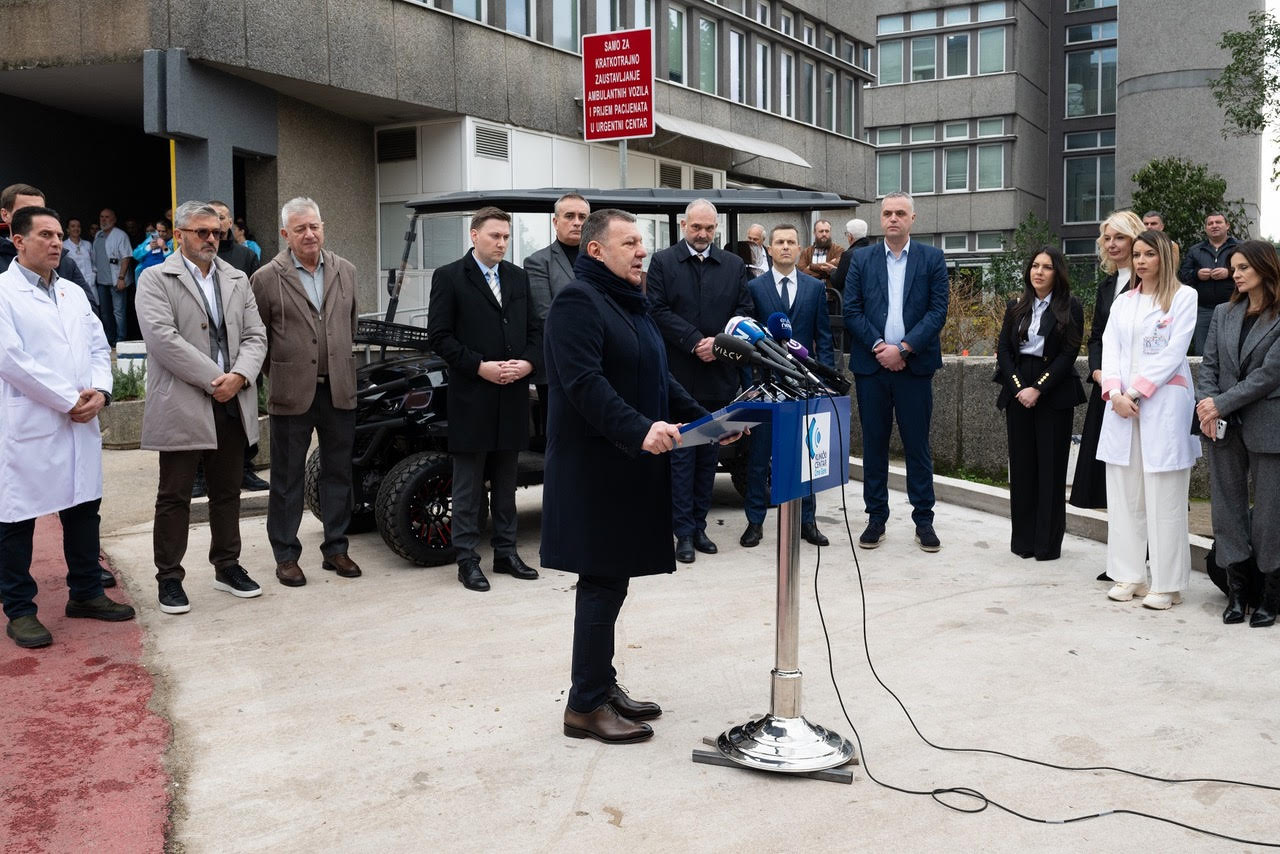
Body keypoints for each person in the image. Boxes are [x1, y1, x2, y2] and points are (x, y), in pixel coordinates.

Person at [541, 208, 716, 745]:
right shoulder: (577, 301)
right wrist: (641, 429)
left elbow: (658, 375)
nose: (643, 252)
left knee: (612, 581)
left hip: (626, 464)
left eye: (643, 242)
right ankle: (584, 705)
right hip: (595, 468)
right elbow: (584, 383)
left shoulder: (628, 301)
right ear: (596, 251)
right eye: (631, 243)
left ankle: (601, 683)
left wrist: (707, 422)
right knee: (600, 582)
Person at [0, 206, 135, 648]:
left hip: (80, 419)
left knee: (83, 508)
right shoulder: (3, 293)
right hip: (31, 421)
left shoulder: (72, 292)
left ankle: (87, 592)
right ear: (18, 241)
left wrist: (101, 391)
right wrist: (68, 398)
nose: (57, 242)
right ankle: (20, 609)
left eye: (59, 235)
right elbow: (11, 359)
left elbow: (99, 346)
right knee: (17, 519)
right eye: (45, 235)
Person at [136, 201, 268, 615]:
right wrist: (218, 379)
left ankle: (227, 566)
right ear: (179, 235)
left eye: (217, 232)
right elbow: (163, 339)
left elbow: (256, 335)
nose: (212, 238)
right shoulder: (155, 278)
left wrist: (240, 376)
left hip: (233, 400)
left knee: (227, 491)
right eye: (202, 232)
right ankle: (169, 578)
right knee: (174, 495)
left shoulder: (236, 277)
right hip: (185, 401)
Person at [426, 207, 542, 592]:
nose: (502, 243)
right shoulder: (449, 277)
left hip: (512, 396)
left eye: (506, 237)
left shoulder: (517, 278)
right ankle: (467, 560)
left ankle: (506, 552)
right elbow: (440, 336)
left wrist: (527, 363)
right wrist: (479, 367)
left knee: (507, 484)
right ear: (474, 235)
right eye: (495, 236)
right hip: (472, 397)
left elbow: (535, 331)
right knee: (468, 487)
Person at [251, 197, 362, 588]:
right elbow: (257, 337)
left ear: (323, 227)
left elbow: (350, 326)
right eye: (300, 229)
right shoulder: (266, 278)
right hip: (291, 393)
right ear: (286, 234)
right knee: (287, 478)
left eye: (314, 226)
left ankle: (336, 548)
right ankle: (286, 555)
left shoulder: (346, 270)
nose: (310, 234)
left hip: (339, 390)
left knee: (339, 473)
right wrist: (283, 373)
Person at [1097, 230, 1200, 610]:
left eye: (1148, 254)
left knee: (1165, 495)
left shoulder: (1183, 297)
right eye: (1137, 254)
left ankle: (1168, 584)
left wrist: (1136, 392)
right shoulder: (1123, 303)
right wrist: (1115, 394)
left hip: (1162, 404)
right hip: (1121, 407)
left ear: (1164, 258)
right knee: (1124, 494)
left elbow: (1174, 352)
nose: (1140, 261)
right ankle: (1130, 575)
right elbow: (1109, 349)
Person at [842, 192, 949, 552]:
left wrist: (903, 348)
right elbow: (852, 309)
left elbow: (937, 311)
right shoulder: (861, 259)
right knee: (874, 445)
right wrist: (879, 347)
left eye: (900, 213)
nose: (893, 218)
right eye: (887, 213)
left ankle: (924, 521)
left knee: (917, 446)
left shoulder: (932, 258)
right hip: (872, 368)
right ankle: (876, 518)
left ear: (912, 218)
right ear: (880, 218)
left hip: (914, 368)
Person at [646, 199, 752, 563]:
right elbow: (656, 309)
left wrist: (717, 345)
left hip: (719, 376)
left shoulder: (733, 265)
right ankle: (683, 533)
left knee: (708, 456)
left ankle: (700, 526)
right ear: (683, 226)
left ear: (716, 228)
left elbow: (743, 312)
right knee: (681, 457)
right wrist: (694, 342)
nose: (703, 234)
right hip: (678, 377)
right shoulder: (663, 262)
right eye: (696, 227)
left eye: (709, 228)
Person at [1196, 240, 1280, 626]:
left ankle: (1270, 595)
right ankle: (1237, 592)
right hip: (1222, 427)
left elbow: (1269, 375)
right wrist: (1205, 404)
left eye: (1244, 267)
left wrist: (1219, 404)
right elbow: (1209, 365)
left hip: (1268, 424)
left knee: (1269, 513)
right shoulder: (1223, 313)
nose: (1236, 274)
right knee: (1226, 510)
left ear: (1265, 267)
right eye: (1234, 268)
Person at [739, 223, 835, 549]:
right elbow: (748, 341)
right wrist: (750, 387)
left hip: (804, 387)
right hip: (766, 386)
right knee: (759, 458)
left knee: (806, 456)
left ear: (798, 248)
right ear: (770, 249)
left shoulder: (814, 288)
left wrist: (825, 383)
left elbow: (823, 338)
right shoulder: (755, 288)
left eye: (790, 242)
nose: (784, 247)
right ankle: (755, 522)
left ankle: (807, 521)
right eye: (779, 242)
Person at [993, 247, 1086, 561]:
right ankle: (1023, 541)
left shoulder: (1070, 307)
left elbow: (1068, 354)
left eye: (1047, 267)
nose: (1039, 272)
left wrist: (1038, 389)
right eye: (1035, 266)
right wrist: (1020, 388)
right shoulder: (1016, 306)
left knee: (1050, 469)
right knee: (1022, 469)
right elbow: (1004, 351)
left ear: (1057, 273)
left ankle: (1046, 544)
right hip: (1018, 388)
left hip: (1054, 392)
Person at [1070, 210, 1145, 532]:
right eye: (1107, 238)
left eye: (1120, 237)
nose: (1112, 244)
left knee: (1140, 472)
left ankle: (1143, 546)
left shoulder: (1150, 283)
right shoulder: (1107, 285)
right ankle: (1123, 546)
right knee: (1109, 474)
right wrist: (1098, 372)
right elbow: (1097, 336)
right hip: (1109, 387)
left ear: (1135, 239)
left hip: (1140, 389)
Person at [1179, 212, 1240, 356]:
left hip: (1234, 307)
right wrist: (1197, 274)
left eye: (1218, 222)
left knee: (1231, 351)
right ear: (1205, 228)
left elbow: (1251, 271)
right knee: (1202, 352)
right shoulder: (1195, 250)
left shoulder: (1239, 247)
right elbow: (1183, 275)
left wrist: (1229, 273)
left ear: (1227, 225)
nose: (1214, 226)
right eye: (1210, 223)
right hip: (1203, 310)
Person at [91, 207, 131, 347]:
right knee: (105, 313)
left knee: (118, 312)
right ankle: (109, 339)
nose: (103, 220)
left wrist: (121, 278)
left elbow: (126, 257)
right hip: (101, 281)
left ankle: (121, 339)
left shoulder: (120, 235)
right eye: (102, 217)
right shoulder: (98, 235)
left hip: (116, 281)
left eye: (107, 217)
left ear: (114, 220)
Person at [831, 217, 872, 296]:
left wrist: (832, 270)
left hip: (854, 299)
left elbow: (838, 282)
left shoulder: (848, 255)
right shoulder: (873, 251)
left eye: (847, 234)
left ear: (850, 236)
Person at [797, 219, 843, 285]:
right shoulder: (806, 252)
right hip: (811, 290)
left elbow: (838, 269)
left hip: (830, 290)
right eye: (821, 231)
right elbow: (801, 272)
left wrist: (811, 266)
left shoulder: (838, 250)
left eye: (827, 231)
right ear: (814, 233)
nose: (824, 234)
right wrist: (827, 272)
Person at [63, 217, 96, 285]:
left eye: (78, 226)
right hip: (73, 283)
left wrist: (93, 276)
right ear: (67, 230)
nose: (76, 228)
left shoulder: (88, 244)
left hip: (90, 283)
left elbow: (94, 263)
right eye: (73, 226)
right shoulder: (63, 246)